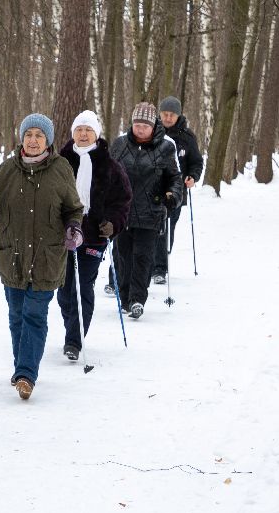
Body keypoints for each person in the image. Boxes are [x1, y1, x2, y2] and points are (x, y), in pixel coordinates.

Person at [0, 114, 83, 400]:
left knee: (35, 314)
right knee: (16, 314)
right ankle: (22, 366)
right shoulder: (5, 171)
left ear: (48, 140)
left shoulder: (61, 169)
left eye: (39, 136)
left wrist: (74, 227)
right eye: (29, 134)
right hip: (12, 256)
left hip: (47, 256)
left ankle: (26, 374)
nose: (33, 140)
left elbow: (73, 207)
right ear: (22, 137)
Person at [56, 110, 132, 360]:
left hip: (93, 236)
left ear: (96, 134)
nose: (83, 134)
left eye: (88, 130)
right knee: (64, 290)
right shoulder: (61, 161)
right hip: (63, 235)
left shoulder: (110, 165)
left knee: (83, 286)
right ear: (73, 133)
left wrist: (112, 223)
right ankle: (71, 323)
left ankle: (74, 341)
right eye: (79, 129)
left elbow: (122, 201)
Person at [109, 102, 182, 319]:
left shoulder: (166, 147)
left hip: (151, 210)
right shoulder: (119, 145)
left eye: (145, 125)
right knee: (123, 256)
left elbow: (174, 178)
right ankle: (124, 297)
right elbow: (107, 174)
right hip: (123, 212)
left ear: (153, 126)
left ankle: (137, 299)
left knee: (143, 257)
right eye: (137, 124)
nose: (140, 129)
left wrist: (173, 195)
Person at [152, 96, 204, 284]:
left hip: (176, 192)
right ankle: (147, 265)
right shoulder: (151, 132)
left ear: (178, 115)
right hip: (151, 191)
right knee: (150, 228)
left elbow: (196, 162)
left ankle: (160, 268)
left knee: (167, 229)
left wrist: (193, 176)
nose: (167, 118)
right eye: (164, 114)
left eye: (171, 115)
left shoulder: (187, 136)